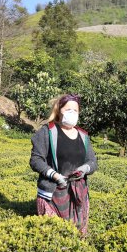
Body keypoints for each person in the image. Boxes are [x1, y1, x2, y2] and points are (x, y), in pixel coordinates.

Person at [30, 93, 97, 235]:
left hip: (78, 192)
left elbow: (92, 160)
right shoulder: (47, 132)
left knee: (78, 235)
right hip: (54, 192)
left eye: (75, 110)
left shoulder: (83, 135)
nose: (72, 113)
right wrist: (53, 175)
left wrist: (85, 168)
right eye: (68, 110)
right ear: (59, 110)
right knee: (54, 234)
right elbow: (36, 160)